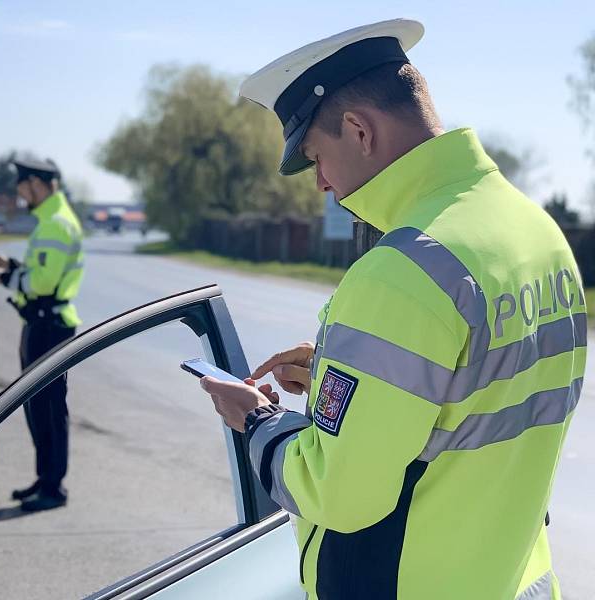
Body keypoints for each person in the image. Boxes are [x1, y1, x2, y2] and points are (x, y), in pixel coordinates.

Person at [199, 18, 586, 600]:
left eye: (315, 157)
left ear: (357, 129)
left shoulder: (402, 270)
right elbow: (479, 394)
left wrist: (257, 422)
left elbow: (342, 495)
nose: (321, 184)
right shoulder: (534, 230)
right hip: (516, 580)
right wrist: (341, 375)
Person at [0, 158, 84, 512]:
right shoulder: (50, 221)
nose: (19, 193)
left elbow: (42, 283)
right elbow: (40, 272)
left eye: (22, 186)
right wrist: (10, 267)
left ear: (37, 185)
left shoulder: (55, 224)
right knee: (39, 407)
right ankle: (45, 480)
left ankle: (53, 488)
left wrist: (5, 278)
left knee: (49, 408)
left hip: (49, 328)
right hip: (42, 325)